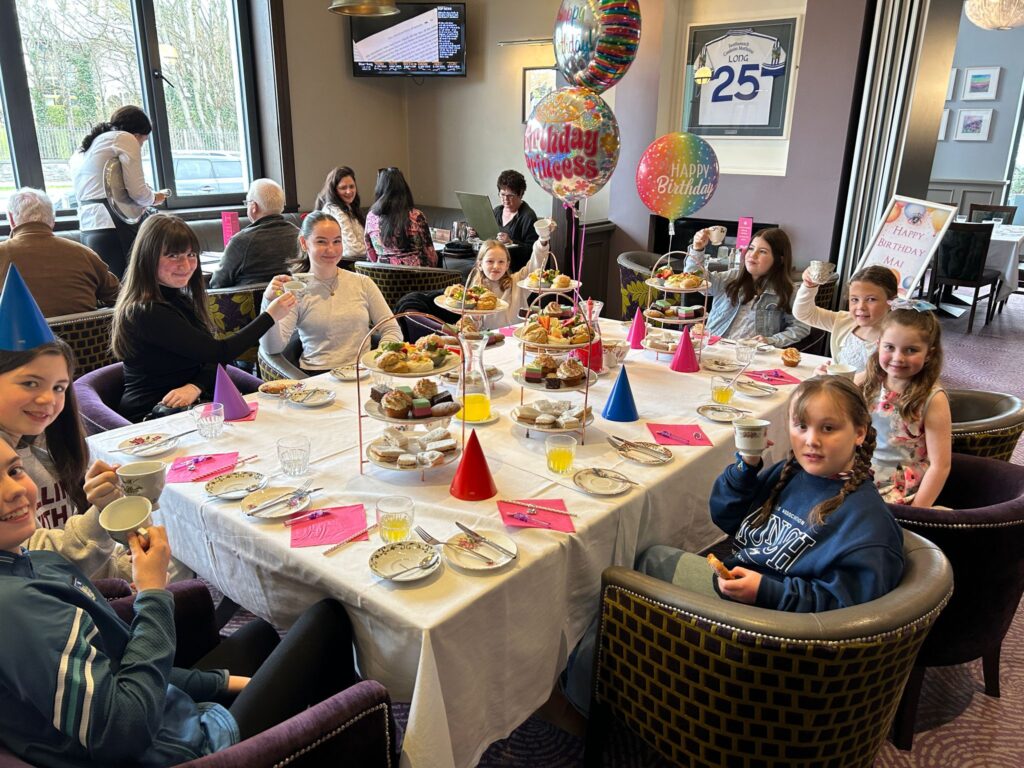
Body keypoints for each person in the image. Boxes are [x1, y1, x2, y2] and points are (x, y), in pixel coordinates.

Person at [0, 437, 363, 767]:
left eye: (14, 470)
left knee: (262, 635)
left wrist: (227, 684)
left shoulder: (34, 561)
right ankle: (355, 729)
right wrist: (152, 592)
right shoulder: (16, 610)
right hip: (177, 752)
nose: (14, 491)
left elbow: (120, 664)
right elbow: (122, 731)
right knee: (328, 617)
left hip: (166, 715)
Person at [563, 376, 905, 715]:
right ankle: (611, 681)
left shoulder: (867, 525)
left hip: (767, 635)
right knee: (650, 560)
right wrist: (746, 469)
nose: (811, 440)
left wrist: (768, 592)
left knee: (623, 585)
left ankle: (583, 701)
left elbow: (849, 617)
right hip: (746, 599)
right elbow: (727, 518)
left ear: (859, 432)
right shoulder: (795, 475)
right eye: (801, 426)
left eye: (828, 429)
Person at [111, 214, 296, 422]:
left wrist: (195, 386)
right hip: (153, 416)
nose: (186, 265)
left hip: (193, 408)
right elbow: (221, 352)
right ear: (148, 258)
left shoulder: (178, 298)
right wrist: (270, 316)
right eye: (172, 256)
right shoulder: (146, 311)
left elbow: (213, 357)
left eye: (191, 254)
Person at [0, 340, 130, 580]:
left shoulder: (48, 440)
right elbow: (32, 561)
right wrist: (102, 512)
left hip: (94, 575)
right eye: (30, 383)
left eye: (59, 387)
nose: (48, 399)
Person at [260, 211, 402, 374]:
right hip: (318, 378)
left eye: (337, 241)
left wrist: (379, 358)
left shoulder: (362, 283)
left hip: (362, 373)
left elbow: (392, 329)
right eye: (321, 242)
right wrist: (268, 302)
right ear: (304, 243)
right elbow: (272, 348)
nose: (331, 249)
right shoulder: (297, 289)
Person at [858, 308, 951, 507]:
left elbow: (940, 465)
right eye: (889, 347)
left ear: (928, 354)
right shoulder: (871, 379)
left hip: (899, 484)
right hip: (861, 470)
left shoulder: (933, 398)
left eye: (911, 350)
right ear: (878, 346)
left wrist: (919, 511)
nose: (898, 357)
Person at [71, 105, 167, 278]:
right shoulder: (124, 138)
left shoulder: (91, 144)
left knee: (109, 291)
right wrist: (154, 197)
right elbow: (138, 191)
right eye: (143, 141)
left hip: (89, 227)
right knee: (129, 289)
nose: (141, 145)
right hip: (114, 225)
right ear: (137, 134)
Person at [0, 188, 120, 317]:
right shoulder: (84, 254)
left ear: (11, 219)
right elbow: (121, 297)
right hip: (83, 336)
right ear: (52, 219)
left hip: (21, 337)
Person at [685, 227, 809, 348]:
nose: (752, 255)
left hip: (753, 357)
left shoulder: (789, 291)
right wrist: (697, 249)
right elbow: (694, 280)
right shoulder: (729, 278)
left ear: (779, 259)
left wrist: (771, 340)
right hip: (715, 350)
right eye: (751, 248)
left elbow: (800, 327)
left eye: (762, 251)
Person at [794, 264, 897, 374]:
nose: (861, 306)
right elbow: (804, 313)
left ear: (891, 301)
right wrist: (809, 286)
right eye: (854, 299)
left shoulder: (898, 336)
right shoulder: (844, 321)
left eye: (871, 299)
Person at [210, 179, 299, 289]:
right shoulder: (300, 235)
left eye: (247, 203)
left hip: (249, 304)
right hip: (292, 302)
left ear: (253, 207)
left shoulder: (241, 241)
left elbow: (217, 283)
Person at [364, 167, 437, 267]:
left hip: (383, 278)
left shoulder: (371, 217)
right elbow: (431, 256)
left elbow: (370, 253)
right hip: (417, 279)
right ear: (404, 188)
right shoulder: (417, 216)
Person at [316, 166, 366, 261]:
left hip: (359, 261)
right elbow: (353, 250)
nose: (349, 191)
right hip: (345, 263)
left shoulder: (349, 207)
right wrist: (374, 253)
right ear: (334, 191)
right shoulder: (334, 210)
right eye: (343, 188)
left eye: (352, 186)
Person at [491, 169, 539, 249]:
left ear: (520, 194)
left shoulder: (528, 217)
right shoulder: (497, 211)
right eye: (502, 194)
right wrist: (476, 233)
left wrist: (511, 242)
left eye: (510, 195)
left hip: (515, 260)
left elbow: (532, 250)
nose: (505, 199)